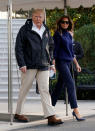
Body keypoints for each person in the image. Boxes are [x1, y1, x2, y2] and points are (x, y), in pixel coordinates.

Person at [14, 9, 63, 125]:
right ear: (32, 17)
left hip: (44, 64)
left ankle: (50, 116)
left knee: (45, 90)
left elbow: (50, 47)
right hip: (29, 65)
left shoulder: (46, 29)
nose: (38, 19)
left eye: (40, 17)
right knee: (24, 89)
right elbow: (18, 48)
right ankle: (18, 113)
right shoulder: (25, 29)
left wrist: (51, 62)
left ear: (43, 18)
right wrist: (22, 64)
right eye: (36, 17)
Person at [51, 15, 85, 121]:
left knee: (59, 86)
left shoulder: (69, 35)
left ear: (69, 24)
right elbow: (54, 51)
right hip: (61, 62)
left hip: (69, 62)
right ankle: (75, 111)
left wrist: (76, 64)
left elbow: (71, 52)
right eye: (63, 22)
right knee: (70, 84)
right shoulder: (57, 34)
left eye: (67, 22)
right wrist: (53, 64)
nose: (65, 24)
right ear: (59, 23)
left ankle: (50, 108)